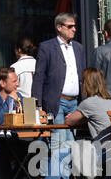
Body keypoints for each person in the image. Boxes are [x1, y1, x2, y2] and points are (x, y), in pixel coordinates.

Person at [20, 67, 111, 179]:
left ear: (87, 84)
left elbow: (69, 121)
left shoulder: (89, 103)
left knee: (59, 154)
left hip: (99, 152)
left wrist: (78, 118)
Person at [32, 13, 86, 148]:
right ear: (59, 27)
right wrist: (37, 104)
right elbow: (39, 77)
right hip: (56, 100)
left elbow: (83, 75)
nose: (74, 29)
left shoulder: (78, 48)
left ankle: (65, 169)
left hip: (75, 102)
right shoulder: (47, 47)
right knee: (61, 141)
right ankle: (61, 169)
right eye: (70, 26)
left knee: (72, 143)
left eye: (74, 26)